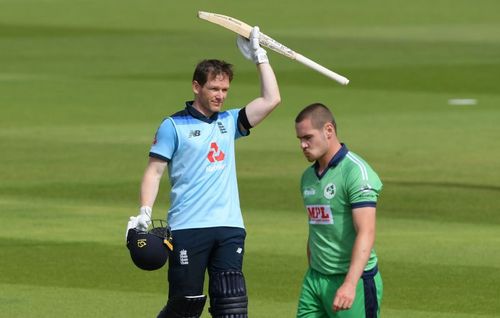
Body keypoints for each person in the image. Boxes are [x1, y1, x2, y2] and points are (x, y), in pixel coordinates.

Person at [126, 26, 280, 318]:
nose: (220, 96)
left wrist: (260, 58)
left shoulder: (229, 121)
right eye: (214, 89)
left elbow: (271, 100)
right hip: (188, 227)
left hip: (229, 226)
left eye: (225, 90)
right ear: (197, 86)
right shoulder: (172, 126)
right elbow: (154, 172)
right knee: (186, 304)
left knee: (231, 306)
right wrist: (145, 211)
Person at [294, 103, 383, 318]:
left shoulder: (356, 172)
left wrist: (350, 284)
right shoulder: (308, 177)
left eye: (308, 137)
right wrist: (313, 270)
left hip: (353, 281)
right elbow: (316, 229)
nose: (303, 145)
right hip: (315, 280)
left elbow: (367, 231)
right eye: (300, 140)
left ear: (328, 131)